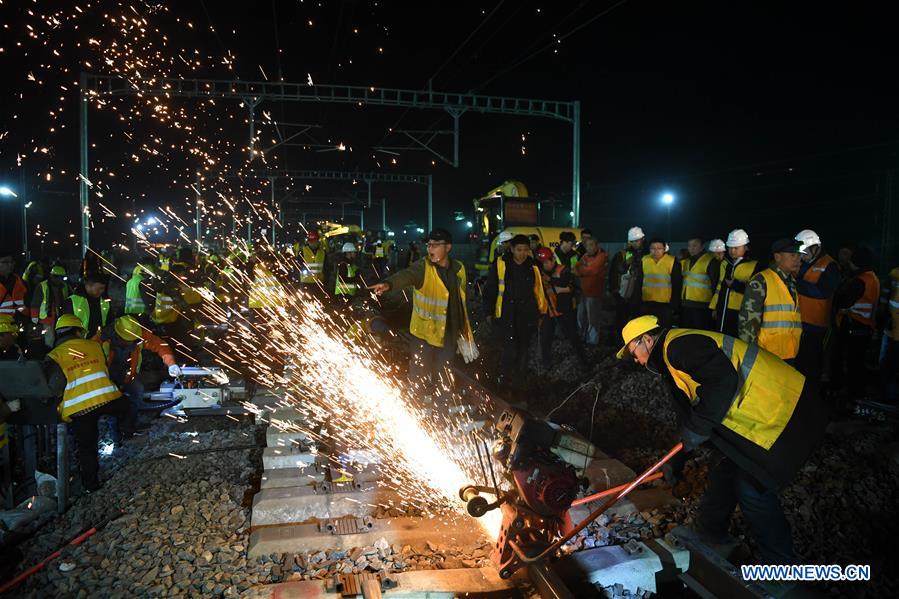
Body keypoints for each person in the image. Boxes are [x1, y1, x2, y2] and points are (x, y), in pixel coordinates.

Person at [617, 315, 825, 567]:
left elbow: (722, 381)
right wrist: (679, 457)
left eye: (634, 352)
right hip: (764, 413)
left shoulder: (678, 347)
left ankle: (782, 568)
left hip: (784, 411)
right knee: (723, 468)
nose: (637, 361)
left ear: (647, 339)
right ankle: (711, 533)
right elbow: (693, 415)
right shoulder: (672, 353)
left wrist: (695, 431)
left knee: (752, 489)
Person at [369, 228, 476, 388]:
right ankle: (416, 406)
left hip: (447, 333)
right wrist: (389, 284)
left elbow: (461, 303)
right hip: (424, 334)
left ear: (448, 247)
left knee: (445, 373)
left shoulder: (459, 269)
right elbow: (407, 275)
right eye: (429, 245)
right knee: (419, 372)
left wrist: (463, 333)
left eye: (435, 245)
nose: (430, 249)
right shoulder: (423, 267)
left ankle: (442, 408)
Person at [44, 313, 130, 492]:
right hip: (107, 398)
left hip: (80, 408)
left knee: (87, 448)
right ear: (78, 331)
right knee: (129, 407)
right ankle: (128, 437)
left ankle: (91, 486)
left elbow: (54, 387)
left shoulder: (54, 356)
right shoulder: (94, 345)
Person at [95, 315, 179, 440]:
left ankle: (129, 428)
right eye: (128, 340)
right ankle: (116, 435)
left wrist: (171, 364)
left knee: (137, 391)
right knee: (113, 402)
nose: (131, 342)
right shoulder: (100, 339)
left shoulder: (139, 334)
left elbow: (160, 345)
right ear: (118, 333)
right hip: (106, 378)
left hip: (128, 376)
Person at [482, 234, 547, 387]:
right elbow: (490, 290)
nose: (522, 253)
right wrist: (488, 313)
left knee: (523, 351)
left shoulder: (533, 267)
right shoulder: (500, 265)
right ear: (511, 249)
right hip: (505, 315)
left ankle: (518, 384)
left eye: (525, 250)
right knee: (509, 350)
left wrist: (541, 313)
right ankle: (504, 380)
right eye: (519, 250)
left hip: (526, 316)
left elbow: (538, 291)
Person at [738, 239, 804, 363]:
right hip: (766, 355)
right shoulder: (761, 280)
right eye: (792, 255)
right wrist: (750, 355)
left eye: (799, 255)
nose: (798, 259)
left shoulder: (791, 282)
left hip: (789, 352)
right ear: (777, 257)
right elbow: (748, 322)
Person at [831, 246, 880, 411]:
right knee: (858, 363)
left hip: (855, 326)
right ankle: (857, 394)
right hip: (866, 327)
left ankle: (853, 396)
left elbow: (844, 301)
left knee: (853, 364)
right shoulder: (872, 277)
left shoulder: (859, 281)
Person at [793, 229, 840, 381]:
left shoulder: (830, 265)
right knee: (799, 363)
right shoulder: (802, 262)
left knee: (812, 364)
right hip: (799, 322)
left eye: (804, 252)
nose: (802, 256)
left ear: (815, 248)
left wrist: (798, 284)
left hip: (817, 325)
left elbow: (824, 291)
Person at [536, 247, 589, 371]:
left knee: (573, 337)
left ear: (552, 260)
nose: (545, 265)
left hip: (565, 311)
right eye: (542, 263)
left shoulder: (563, 270)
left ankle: (583, 362)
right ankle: (546, 363)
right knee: (545, 338)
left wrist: (550, 280)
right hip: (549, 311)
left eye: (546, 262)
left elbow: (567, 282)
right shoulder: (539, 273)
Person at [709, 229, 762, 337]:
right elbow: (720, 286)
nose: (732, 251)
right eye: (730, 247)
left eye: (736, 247)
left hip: (741, 312)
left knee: (736, 342)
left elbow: (758, 293)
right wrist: (715, 306)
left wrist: (735, 285)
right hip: (723, 309)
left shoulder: (755, 266)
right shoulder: (727, 264)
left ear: (746, 247)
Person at [609, 226, 646, 336]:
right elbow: (614, 272)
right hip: (624, 293)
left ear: (642, 239)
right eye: (633, 241)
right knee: (622, 317)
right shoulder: (622, 254)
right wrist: (614, 290)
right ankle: (621, 338)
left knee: (638, 318)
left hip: (641, 292)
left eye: (637, 241)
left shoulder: (647, 254)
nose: (635, 243)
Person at [639, 238, 681, 330]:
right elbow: (639, 281)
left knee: (664, 330)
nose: (655, 251)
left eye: (659, 248)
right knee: (648, 330)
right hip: (647, 303)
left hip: (665, 305)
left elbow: (677, 284)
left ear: (664, 249)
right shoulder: (644, 260)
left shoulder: (672, 261)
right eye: (653, 248)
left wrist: (674, 305)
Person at [680, 236, 718, 330]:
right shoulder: (687, 261)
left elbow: (716, 285)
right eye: (689, 246)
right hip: (686, 305)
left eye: (695, 245)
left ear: (702, 247)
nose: (691, 248)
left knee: (701, 334)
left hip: (702, 307)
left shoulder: (711, 261)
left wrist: (715, 307)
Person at [30, 264, 71, 351]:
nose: (58, 279)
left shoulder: (64, 286)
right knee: (49, 339)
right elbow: (35, 302)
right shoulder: (42, 286)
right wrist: (34, 317)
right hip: (47, 317)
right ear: (51, 276)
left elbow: (67, 300)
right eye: (56, 276)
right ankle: (48, 354)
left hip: (60, 316)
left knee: (60, 336)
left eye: (61, 277)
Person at [575, 238, 607, 345]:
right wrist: (584, 269)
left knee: (593, 319)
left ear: (596, 245)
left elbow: (593, 270)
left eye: (591, 245)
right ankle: (582, 339)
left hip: (594, 294)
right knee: (582, 317)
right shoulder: (585, 256)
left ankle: (592, 343)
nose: (589, 248)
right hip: (583, 293)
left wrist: (583, 269)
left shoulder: (602, 256)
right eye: (587, 246)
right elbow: (576, 268)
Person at [65, 272, 111, 339]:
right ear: (88, 286)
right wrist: (75, 333)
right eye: (99, 288)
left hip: (98, 339)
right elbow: (65, 324)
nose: (102, 291)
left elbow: (108, 320)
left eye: (103, 288)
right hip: (79, 340)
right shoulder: (72, 301)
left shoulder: (104, 301)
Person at [125, 258, 156, 323]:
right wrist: (151, 310)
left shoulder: (130, 281)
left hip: (130, 310)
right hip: (141, 312)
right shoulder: (142, 282)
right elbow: (146, 298)